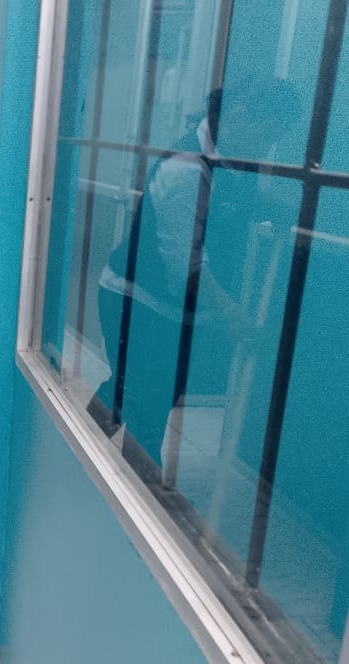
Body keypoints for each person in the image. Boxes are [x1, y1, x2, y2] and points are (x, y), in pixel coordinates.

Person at [94, 78, 301, 471]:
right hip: (138, 302)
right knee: (147, 409)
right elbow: (185, 269)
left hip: (174, 310)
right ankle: (145, 492)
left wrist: (275, 209)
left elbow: (228, 200)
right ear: (239, 116)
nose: (266, 147)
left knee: (129, 391)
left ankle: (79, 449)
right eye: (266, 135)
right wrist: (233, 316)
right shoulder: (186, 169)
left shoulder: (231, 157)